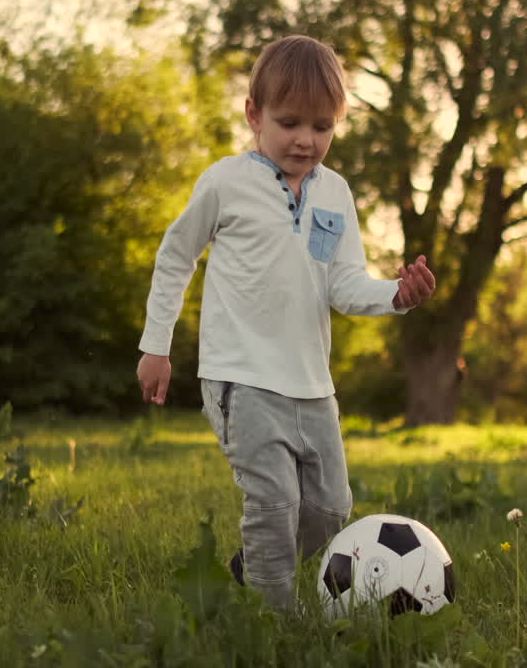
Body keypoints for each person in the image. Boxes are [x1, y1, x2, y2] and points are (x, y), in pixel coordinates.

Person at [135, 35, 436, 609]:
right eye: (290, 121)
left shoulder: (336, 194)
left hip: (312, 386)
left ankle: (252, 569)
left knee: (329, 511)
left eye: (322, 126)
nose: (306, 139)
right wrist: (156, 346)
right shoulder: (225, 183)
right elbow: (176, 255)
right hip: (241, 379)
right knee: (274, 504)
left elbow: (344, 285)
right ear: (255, 115)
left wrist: (397, 296)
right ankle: (273, 622)